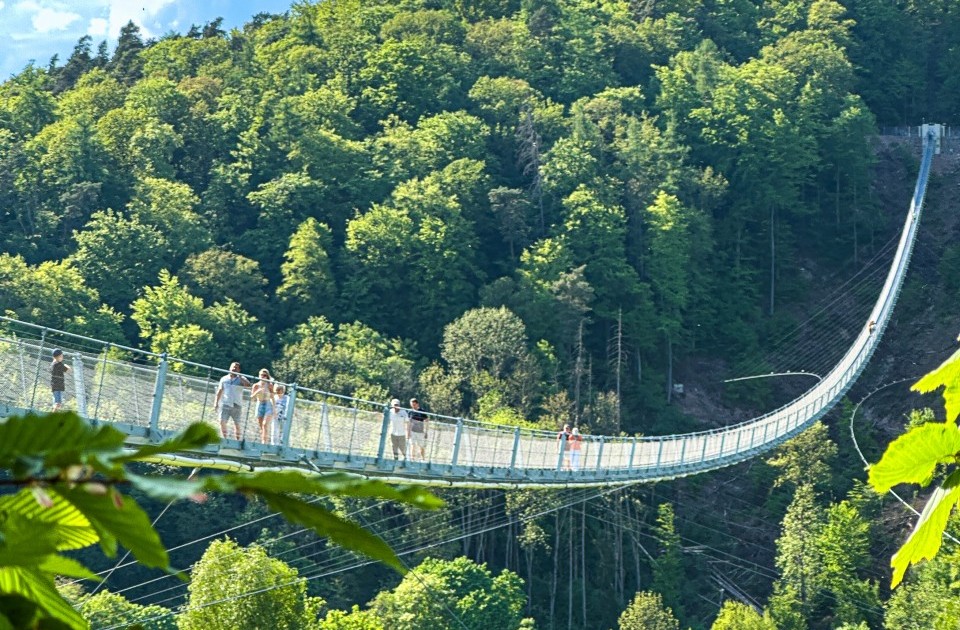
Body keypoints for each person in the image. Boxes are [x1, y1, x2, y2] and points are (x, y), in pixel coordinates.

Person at [214, 362, 250, 440]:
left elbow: (248, 385)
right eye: (233, 367)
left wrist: (240, 376)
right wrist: (216, 403)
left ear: (239, 370)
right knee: (222, 421)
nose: (234, 369)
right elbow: (220, 391)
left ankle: (238, 440)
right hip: (226, 403)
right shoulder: (224, 379)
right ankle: (225, 439)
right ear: (230, 368)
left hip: (237, 404)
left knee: (237, 423)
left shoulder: (241, 379)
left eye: (236, 368)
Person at [251, 368, 275, 443]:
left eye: (265, 375)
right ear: (259, 376)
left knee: (265, 424)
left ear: (267, 377)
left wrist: (274, 408)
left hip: (268, 404)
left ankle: (264, 442)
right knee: (261, 426)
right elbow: (252, 398)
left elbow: (273, 397)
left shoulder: (269, 385)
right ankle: (264, 440)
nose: (263, 377)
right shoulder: (256, 385)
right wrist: (258, 391)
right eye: (262, 375)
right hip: (260, 404)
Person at [388, 398, 409, 462]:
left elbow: (407, 422)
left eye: (397, 405)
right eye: (395, 405)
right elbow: (387, 421)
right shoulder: (390, 412)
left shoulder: (403, 412)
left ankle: (406, 458)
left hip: (401, 433)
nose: (396, 406)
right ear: (392, 405)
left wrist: (408, 432)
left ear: (399, 405)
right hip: (392, 432)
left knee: (402, 447)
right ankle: (395, 459)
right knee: (394, 446)